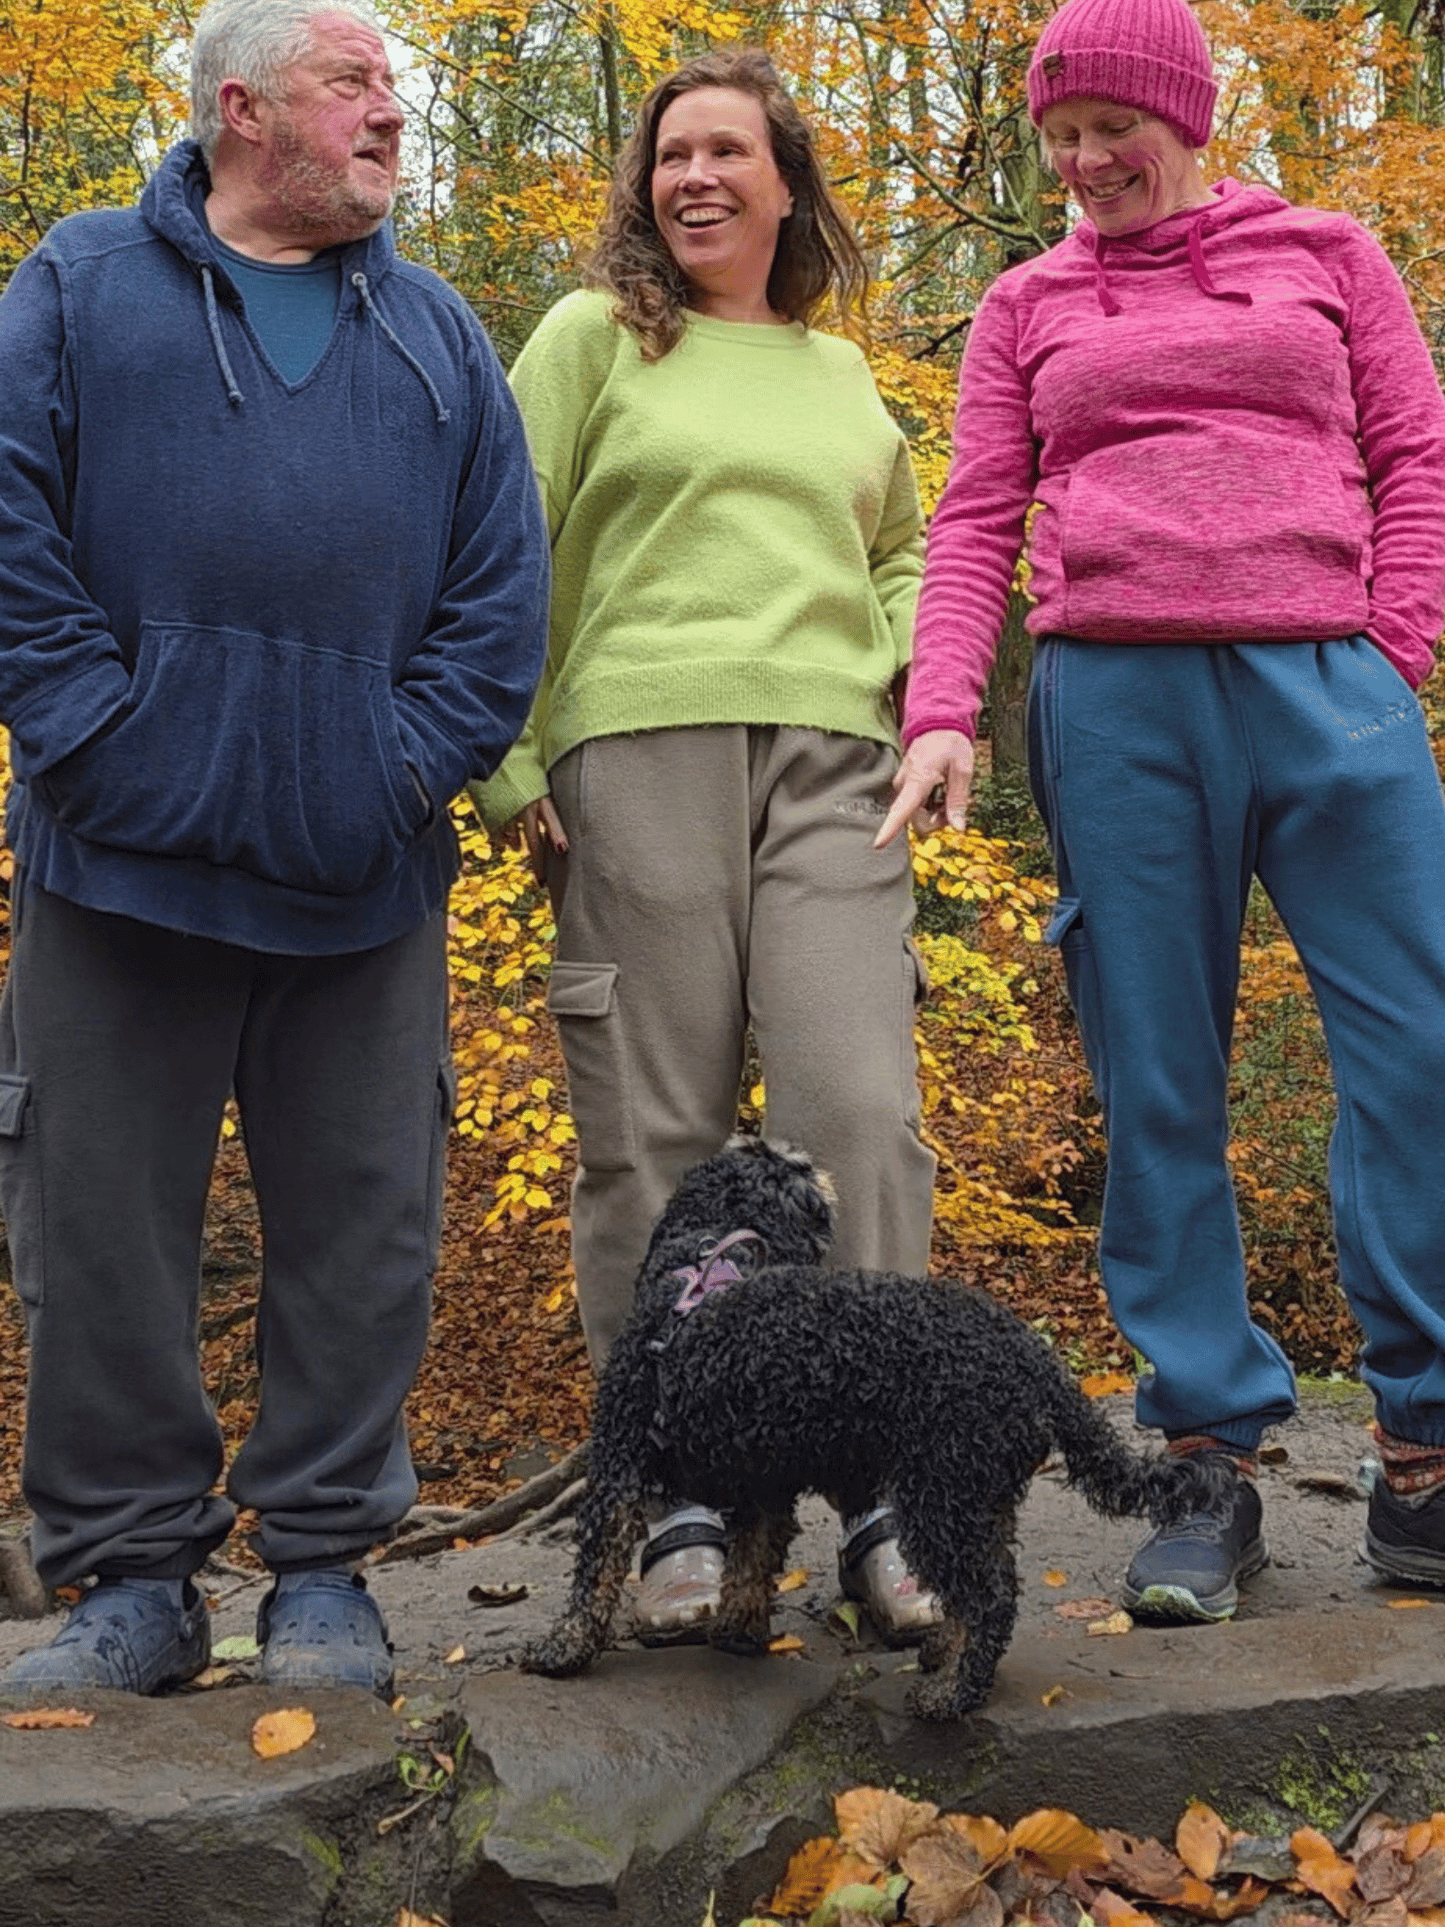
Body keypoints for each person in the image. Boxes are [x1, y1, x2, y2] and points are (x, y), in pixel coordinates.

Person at [0, 0, 549, 1696]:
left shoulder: (439, 336)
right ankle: (131, 1583)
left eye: (393, 84)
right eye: (350, 82)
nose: (391, 112)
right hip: (116, 865)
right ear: (240, 107)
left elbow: (499, 603)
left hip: (360, 876)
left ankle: (322, 1571)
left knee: (366, 1227)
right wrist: (98, 740)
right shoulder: (80, 285)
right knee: (100, 1224)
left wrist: (390, 771)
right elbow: (7, 522)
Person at [879, 0, 1445, 1624]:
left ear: (1184, 116)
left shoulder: (1328, 255)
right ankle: (1206, 1458)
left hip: (1329, 686)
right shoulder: (1027, 301)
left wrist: (1389, 657)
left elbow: (1416, 456)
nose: (1083, 159)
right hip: (1115, 703)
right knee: (1156, 1076)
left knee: (1416, 1050)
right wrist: (939, 711)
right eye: (1059, 136)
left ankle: (1424, 1447)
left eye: (1109, 127)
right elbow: (977, 513)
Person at [470, 48, 940, 1645]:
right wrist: (506, 756)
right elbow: (494, 539)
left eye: (729, 151)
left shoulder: (838, 372)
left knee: (857, 1109)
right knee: (651, 1135)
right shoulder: (590, 338)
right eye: (672, 155)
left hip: (835, 766)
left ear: (785, 184)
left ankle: (879, 1496)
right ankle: (674, 1500)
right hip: (633, 752)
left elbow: (909, 550)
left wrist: (905, 678)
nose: (696, 178)